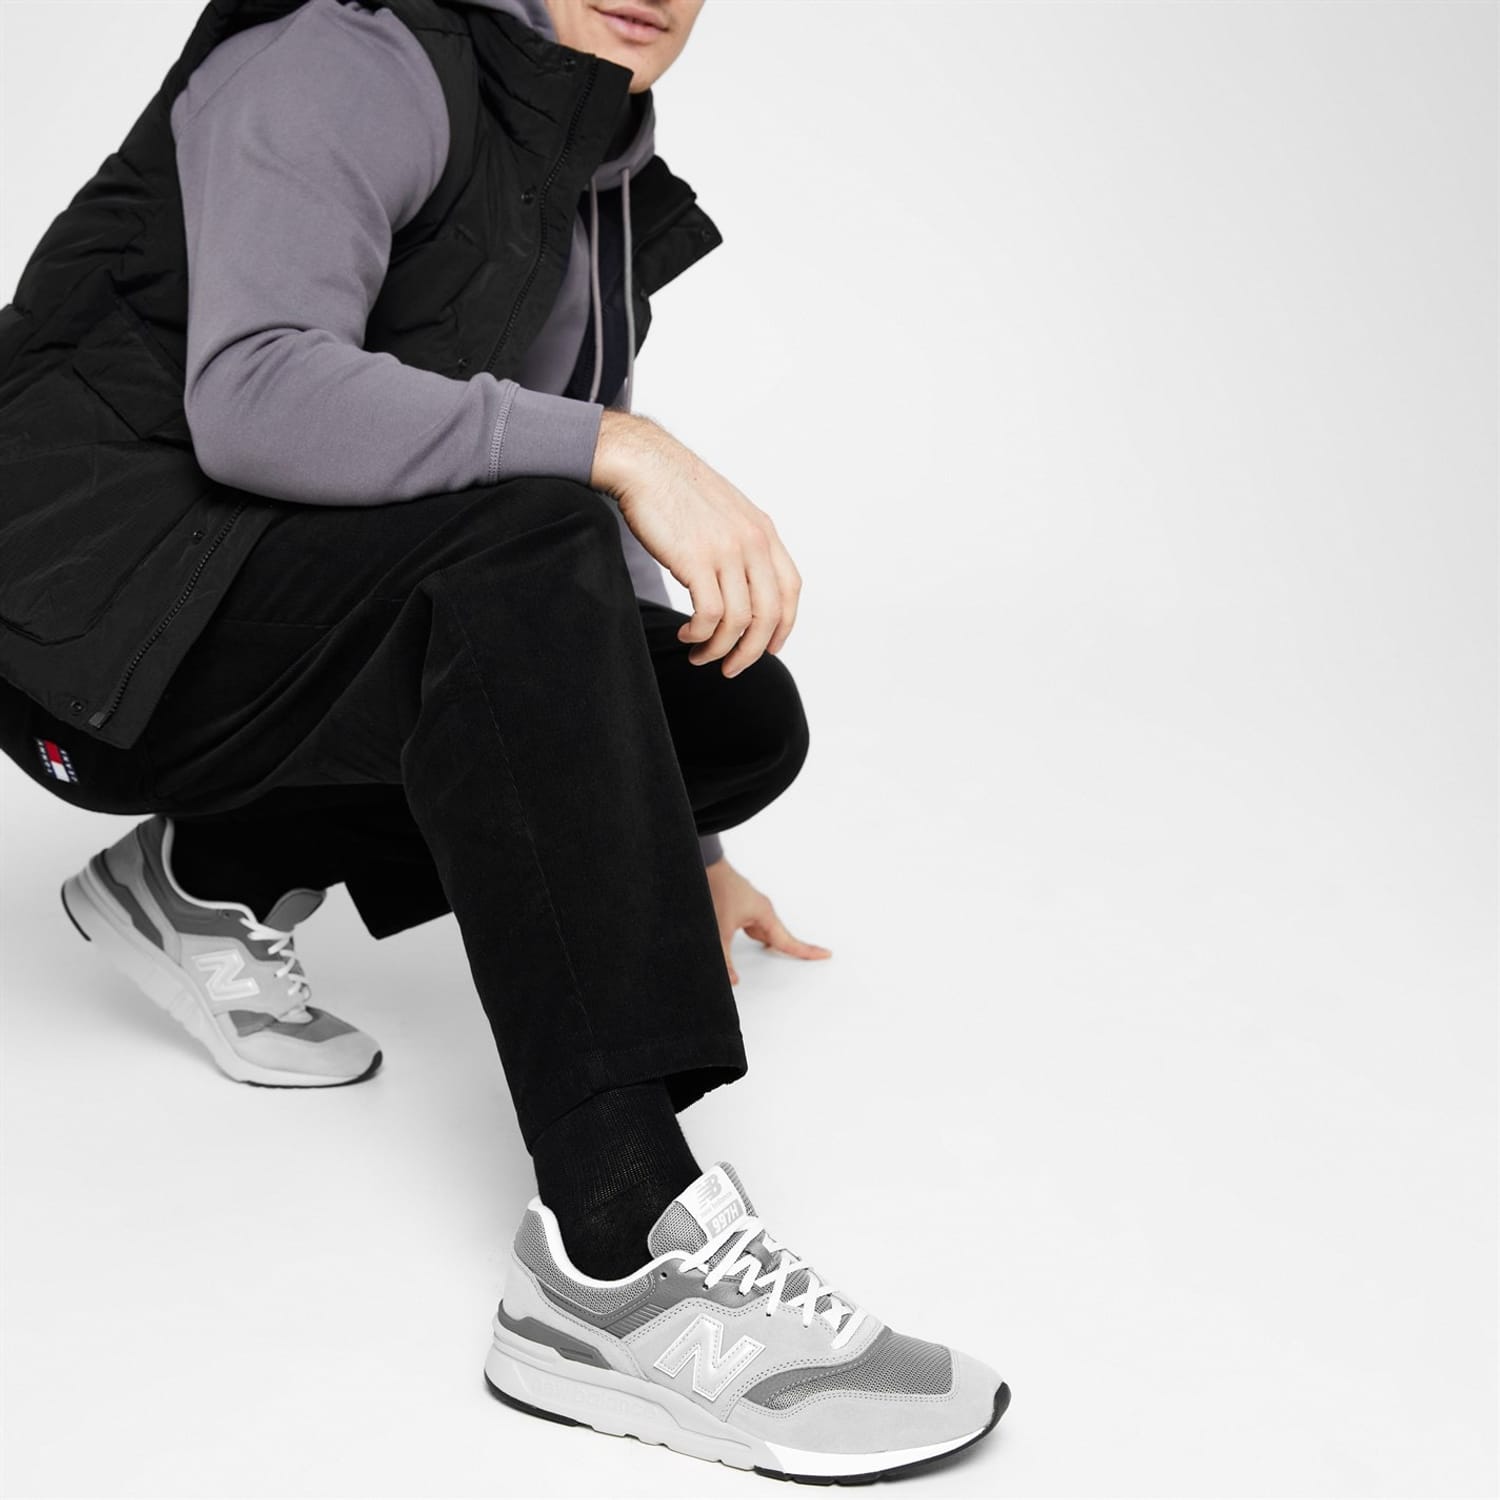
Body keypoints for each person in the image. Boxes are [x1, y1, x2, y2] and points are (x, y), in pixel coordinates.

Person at [0, 0, 1008, 1481]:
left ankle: (207, 878)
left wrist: (675, 838)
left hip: (255, 602)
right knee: (525, 546)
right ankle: (618, 1258)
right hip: (82, 628)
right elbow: (258, 396)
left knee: (726, 715)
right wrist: (627, 448)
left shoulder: (585, 158)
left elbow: (566, 517)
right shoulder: (343, 58)